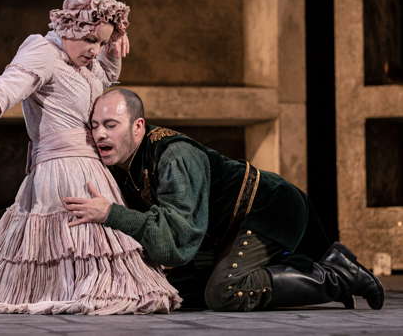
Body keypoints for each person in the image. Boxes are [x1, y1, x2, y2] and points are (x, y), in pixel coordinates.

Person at [0, 0, 181, 315]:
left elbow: (105, 77)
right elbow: (5, 88)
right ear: (70, 28)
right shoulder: (42, 52)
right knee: (63, 248)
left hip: (89, 166)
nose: (95, 51)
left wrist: (115, 44)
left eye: (100, 42)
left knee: (99, 257)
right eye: (91, 40)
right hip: (61, 169)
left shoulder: (84, 61)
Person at [64, 87, 384, 312]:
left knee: (225, 292)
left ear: (138, 127)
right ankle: (319, 265)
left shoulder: (174, 156)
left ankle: (335, 277)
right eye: (94, 126)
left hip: (269, 210)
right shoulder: (127, 163)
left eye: (110, 125)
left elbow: (178, 238)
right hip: (226, 228)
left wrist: (111, 213)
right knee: (175, 294)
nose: (100, 135)